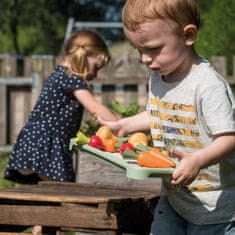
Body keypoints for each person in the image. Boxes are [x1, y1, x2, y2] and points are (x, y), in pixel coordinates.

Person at [97, 0, 235, 234]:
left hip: (214, 209)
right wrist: (123, 126)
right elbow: (159, 114)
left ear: (188, 35)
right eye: (138, 50)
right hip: (174, 199)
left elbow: (229, 137)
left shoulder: (207, 85)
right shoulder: (160, 77)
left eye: (153, 48)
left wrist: (197, 161)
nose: (144, 59)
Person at [4, 30, 118, 184]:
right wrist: (121, 125)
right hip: (47, 145)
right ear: (83, 55)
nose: (96, 74)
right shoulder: (72, 79)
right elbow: (94, 107)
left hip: (34, 142)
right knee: (64, 191)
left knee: (46, 194)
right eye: (96, 67)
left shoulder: (60, 75)